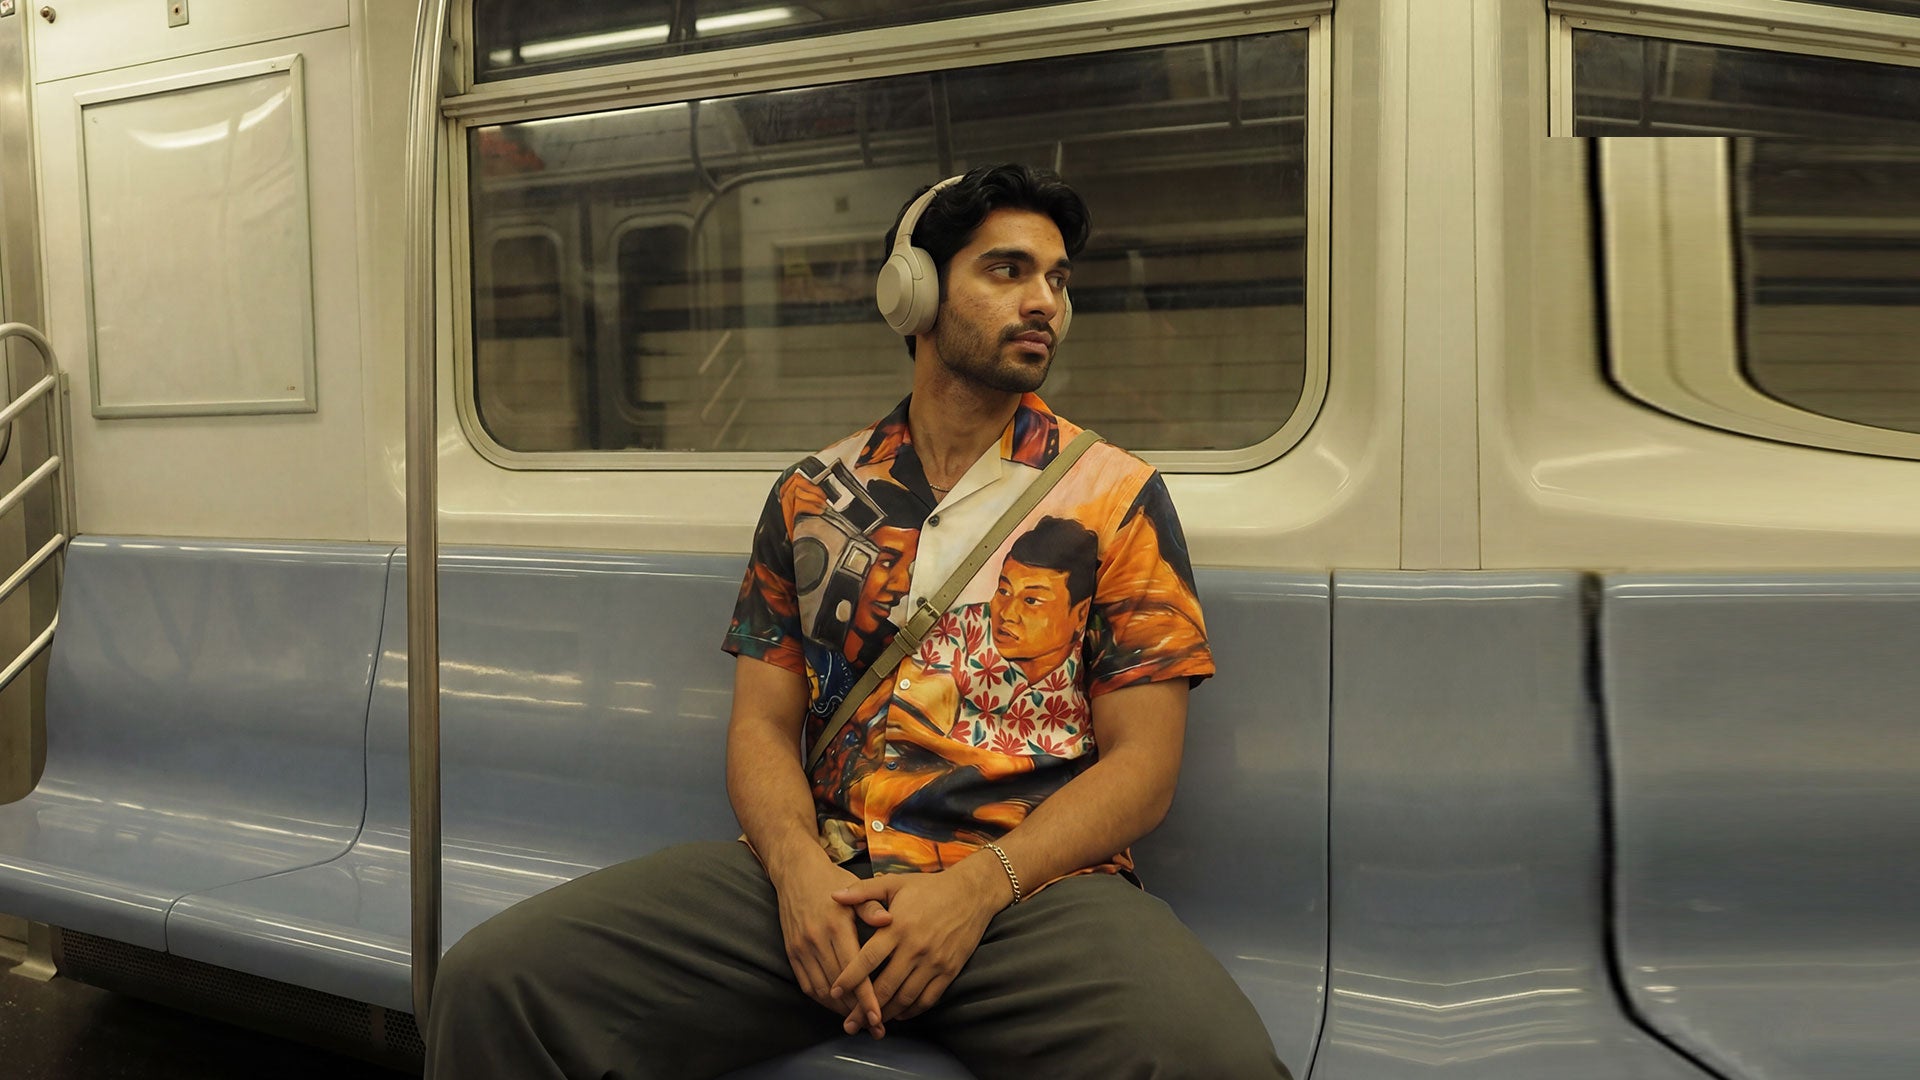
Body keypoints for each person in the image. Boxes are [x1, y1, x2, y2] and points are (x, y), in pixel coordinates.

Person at [425, 163, 1292, 1079]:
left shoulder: (1115, 497)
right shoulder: (815, 498)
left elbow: (1144, 768)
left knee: (1214, 1062)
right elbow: (762, 725)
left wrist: (973, 892)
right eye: (1007, 271)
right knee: (494, 983)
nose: (1044, 301)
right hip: (830, 870)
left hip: (1028, 892)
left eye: (1057, 279)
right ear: (912, 293)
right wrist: (798, 874)